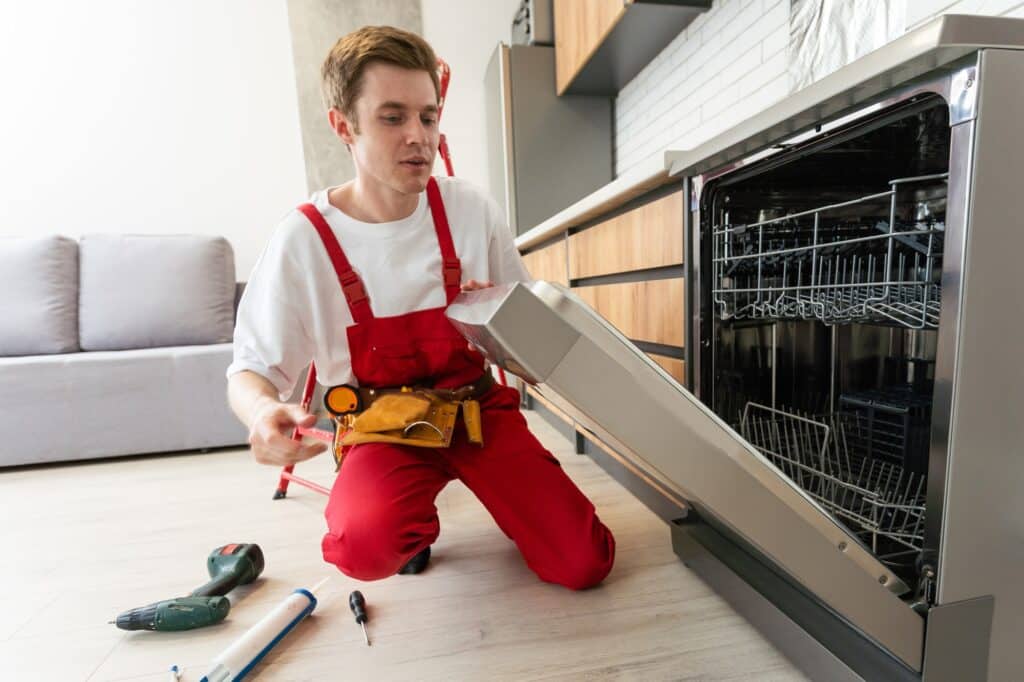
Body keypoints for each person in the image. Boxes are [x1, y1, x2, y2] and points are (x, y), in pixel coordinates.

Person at [226, 25, 614, 589]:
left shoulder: (470, 209)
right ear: (343, 126)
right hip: (381, 428)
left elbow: (530, 336)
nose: (419, 136)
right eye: (392, 117)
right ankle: (411, 519)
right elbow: (249, 371)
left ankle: (481, 497)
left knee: (584, 563)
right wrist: (262, 415)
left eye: (428, 117)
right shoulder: (303, 240)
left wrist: (504, 317)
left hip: (478, 413)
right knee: (362, 546)